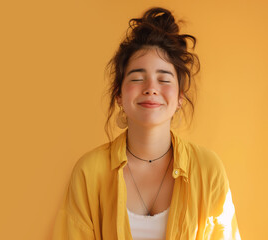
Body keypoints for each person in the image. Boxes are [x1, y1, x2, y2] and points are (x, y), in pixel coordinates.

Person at [53, 7, 240, 240]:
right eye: (137, 78)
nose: (151, 88)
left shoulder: (208, 169)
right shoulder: (89, 172)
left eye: (164, 79)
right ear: (119, 94)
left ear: (180, 96)